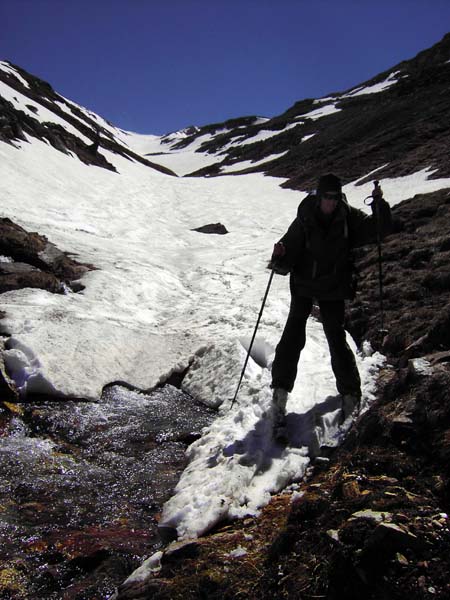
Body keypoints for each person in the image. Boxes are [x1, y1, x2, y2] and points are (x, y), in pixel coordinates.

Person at [270, 173, 392, 439]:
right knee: (293, 335)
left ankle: (350, 391)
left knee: (336, 337)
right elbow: (289, 249)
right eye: (326, 197)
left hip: (334, 286)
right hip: (303, 284)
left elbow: (378, 230)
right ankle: (279, 391)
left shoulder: (348, 217)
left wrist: (379, 206)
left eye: (335, 198)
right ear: (318, 196)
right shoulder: (305, 217)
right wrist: (279, 257)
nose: (331, 202)